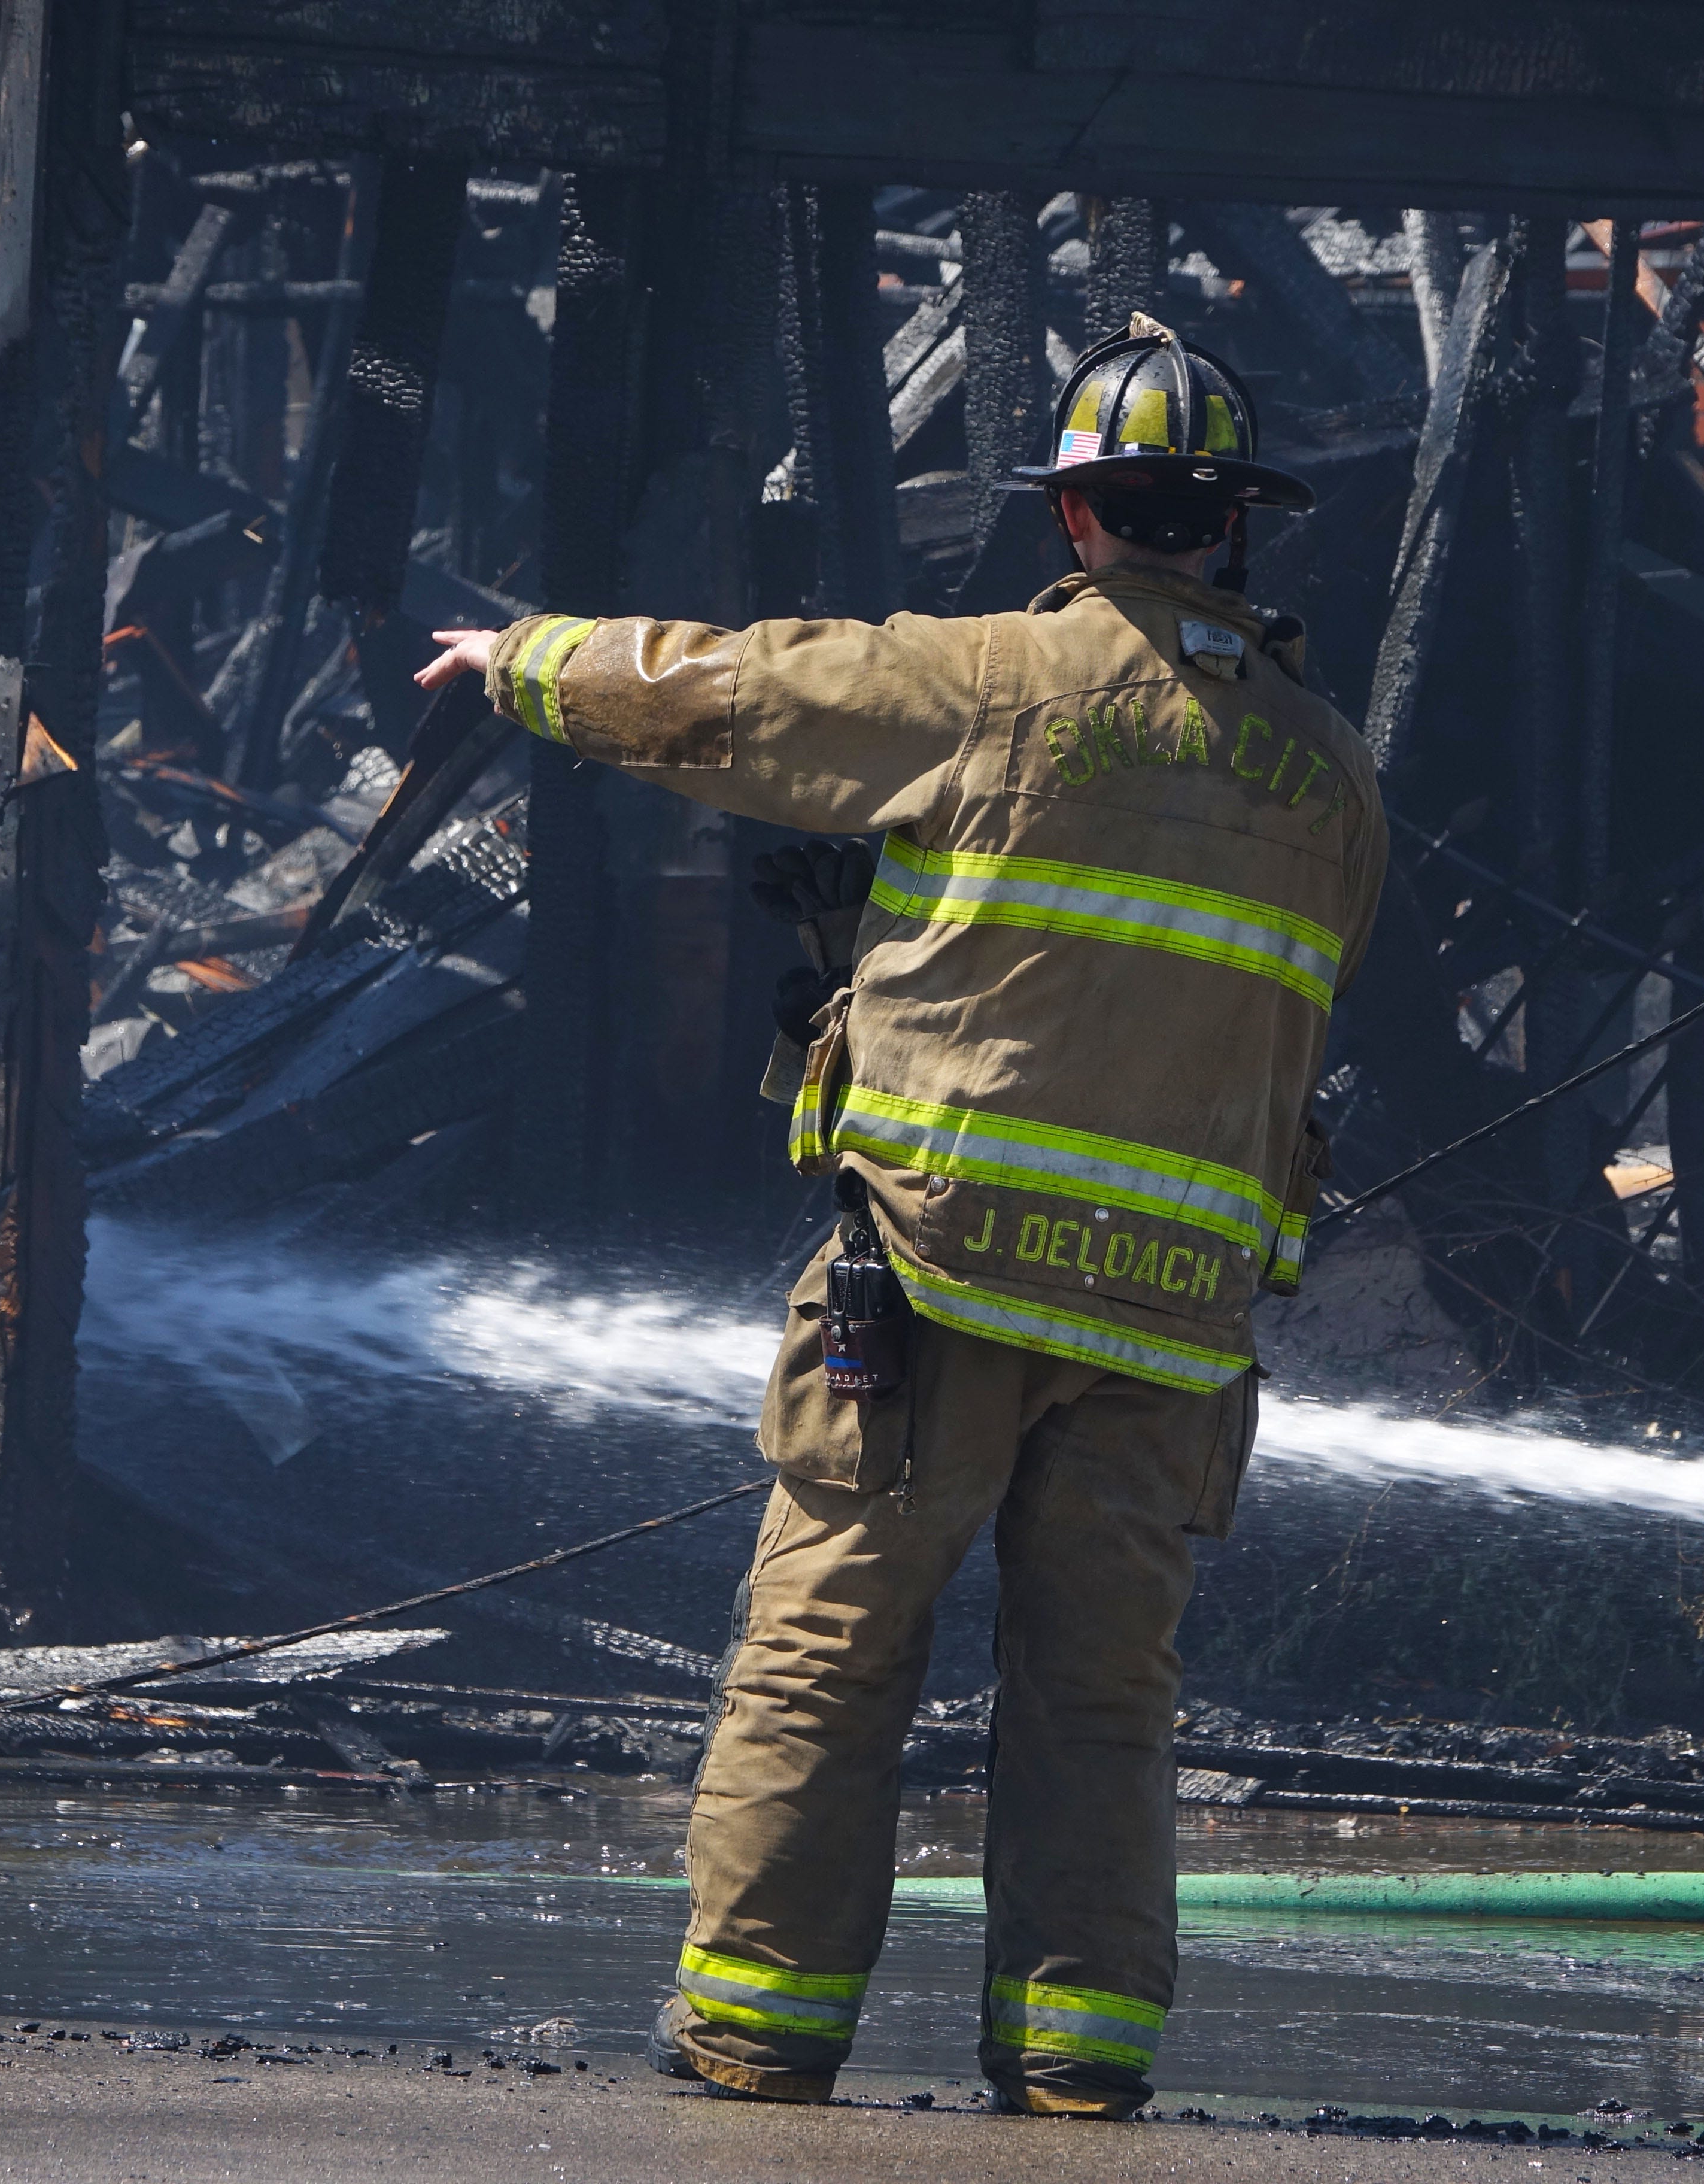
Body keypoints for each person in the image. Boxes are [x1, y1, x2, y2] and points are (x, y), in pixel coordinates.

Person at [416, 316, 1389, 2119]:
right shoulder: (1333, 774)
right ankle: (1082, 2071)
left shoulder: (995, 681)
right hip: (1173, 1325)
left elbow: (734, 693)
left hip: (938, 1286)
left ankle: (759, 2035)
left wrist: (520, 661)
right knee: (1103, 1704)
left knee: (829, 1650)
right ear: (1235, 532)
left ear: (1078, 520)